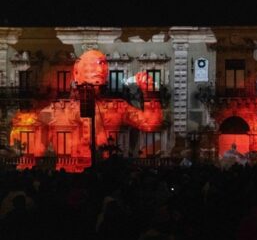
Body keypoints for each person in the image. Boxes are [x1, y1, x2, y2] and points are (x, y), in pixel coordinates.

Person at [10, 50, 163, 169]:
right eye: (93, 64)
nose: (99, 68)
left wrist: (150, 94)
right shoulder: (54, 111)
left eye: (102, 64)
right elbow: (35, 151)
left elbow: (151, 124)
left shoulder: (116, 107)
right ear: (76, 72)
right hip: (68, 177)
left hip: (103, 176)